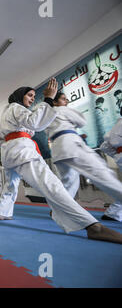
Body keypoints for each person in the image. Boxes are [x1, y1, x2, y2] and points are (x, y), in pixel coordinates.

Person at [0, 78, 122, 243]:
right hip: (23, 151)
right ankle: (92, 226)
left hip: (10, 153)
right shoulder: (16, 108)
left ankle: (4, 212)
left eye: (34, 96)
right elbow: (35, 123)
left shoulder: (6, 114)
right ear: (20, 96)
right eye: (30, 95)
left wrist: (9, 143)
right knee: (52, 185)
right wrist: (47, 99)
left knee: (11, 184)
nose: (32, 99)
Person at [43, 92, 122, 223]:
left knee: (69, 183)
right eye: (63, 99)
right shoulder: (62, 109)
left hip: (58, 150)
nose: (66, 101)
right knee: (102, 173)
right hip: (71, 145)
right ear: (55, 102)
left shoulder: (47, 116)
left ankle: (58, 210)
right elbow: (82, 121)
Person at [99, 106, 122, 221]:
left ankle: (113, 213)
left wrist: (117, 155)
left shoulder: (116, 126)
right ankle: (113, 213)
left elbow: (104, 146)